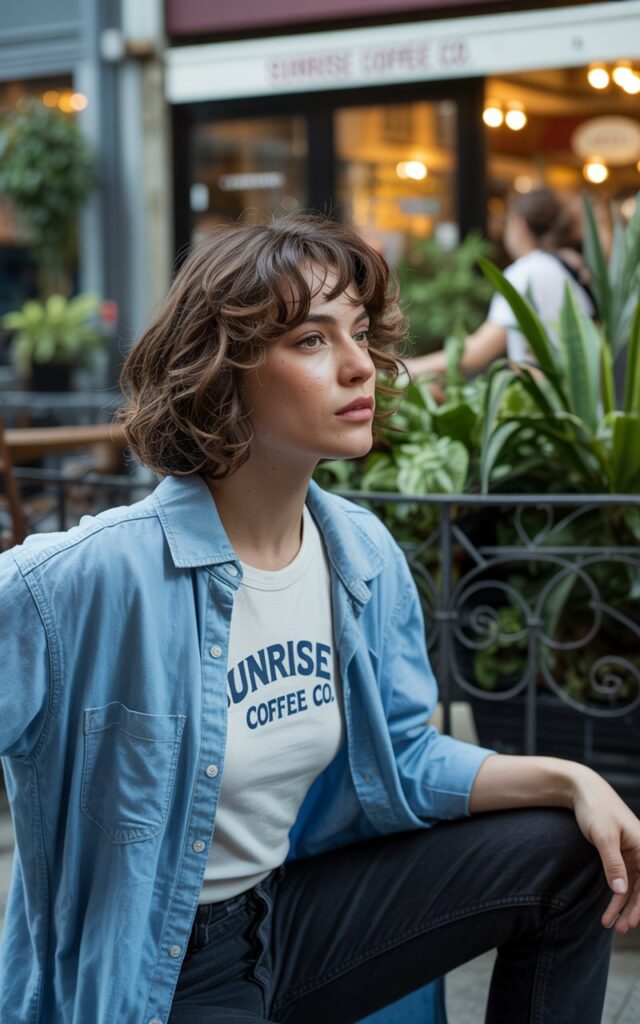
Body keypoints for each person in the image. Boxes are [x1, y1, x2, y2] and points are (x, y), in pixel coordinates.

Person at [0, 213, 638, 1024]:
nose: (359, 365)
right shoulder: (85, 580)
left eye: (360, 334)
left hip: (288, 921)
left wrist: (573, 779)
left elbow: (405, 758)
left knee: (573, 853)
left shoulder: (359, 554)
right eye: (311, 340)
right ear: (220, 371)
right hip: (158, 974)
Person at [405, 189, 597, 381]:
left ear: (519, 225)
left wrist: (407, 368)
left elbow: (476, 352)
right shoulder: (566, 266)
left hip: (547, 397)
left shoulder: (526, 273)